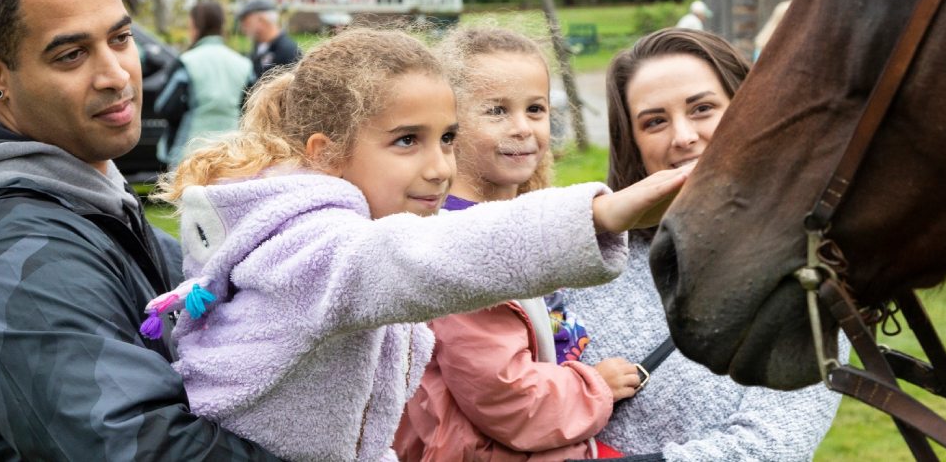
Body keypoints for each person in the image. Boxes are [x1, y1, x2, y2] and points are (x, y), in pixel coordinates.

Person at [141, 28, 692, 461]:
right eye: (408, 141)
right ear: (325, 152)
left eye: (447, 138)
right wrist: (597, 214)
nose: (439, 167)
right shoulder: (304, 247)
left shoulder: (342, 227)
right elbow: (412, 259)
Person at [0, 0, 280, 459]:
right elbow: (145, 449)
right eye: (72, 55)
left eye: (120, 39)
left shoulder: (88, 198)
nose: (115, 73)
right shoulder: (12, 259)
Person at [562, 27, 846, 461]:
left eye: (702, 109)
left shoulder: (809, 273)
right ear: (632, 143)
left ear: (748, 112)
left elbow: (772, 447)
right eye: (654, 121)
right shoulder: (585, 257)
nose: (683, 137)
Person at [394, 27, 641, 461]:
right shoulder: (455, 246)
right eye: (496, 111)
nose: (523, 128)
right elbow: (507, 400)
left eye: (536, 108)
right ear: (449, 124)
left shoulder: (519, 220)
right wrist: (595, 384)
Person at [155, 1, 255, 169]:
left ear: (196, 26)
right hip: (233, 152)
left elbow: (164, 106)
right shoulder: (244, 64)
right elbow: (252, 108)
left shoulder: (187, 62)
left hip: (190, 152)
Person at [236, 0, 302, 80]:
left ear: (261, 20)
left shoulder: (288, 51)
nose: (243, 28)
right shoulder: (259, 45)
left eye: (246, 22)